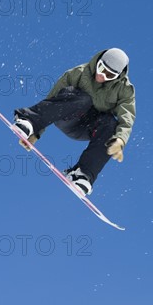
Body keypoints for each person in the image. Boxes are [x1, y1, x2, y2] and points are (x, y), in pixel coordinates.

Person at [13, 48, 136, 195]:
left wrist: (121, 140)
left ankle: (82, 174)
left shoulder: (124, 90)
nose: (102, 75)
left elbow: (127, 118)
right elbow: (52, 98)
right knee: (83, 99)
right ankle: (29, 121)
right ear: (97, 62)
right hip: (68, 117)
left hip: (87, 128)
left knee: (110, 124)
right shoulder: (79, 72)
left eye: (109, 74)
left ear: (118, 76)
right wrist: (37, 131)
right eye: (101, 69)